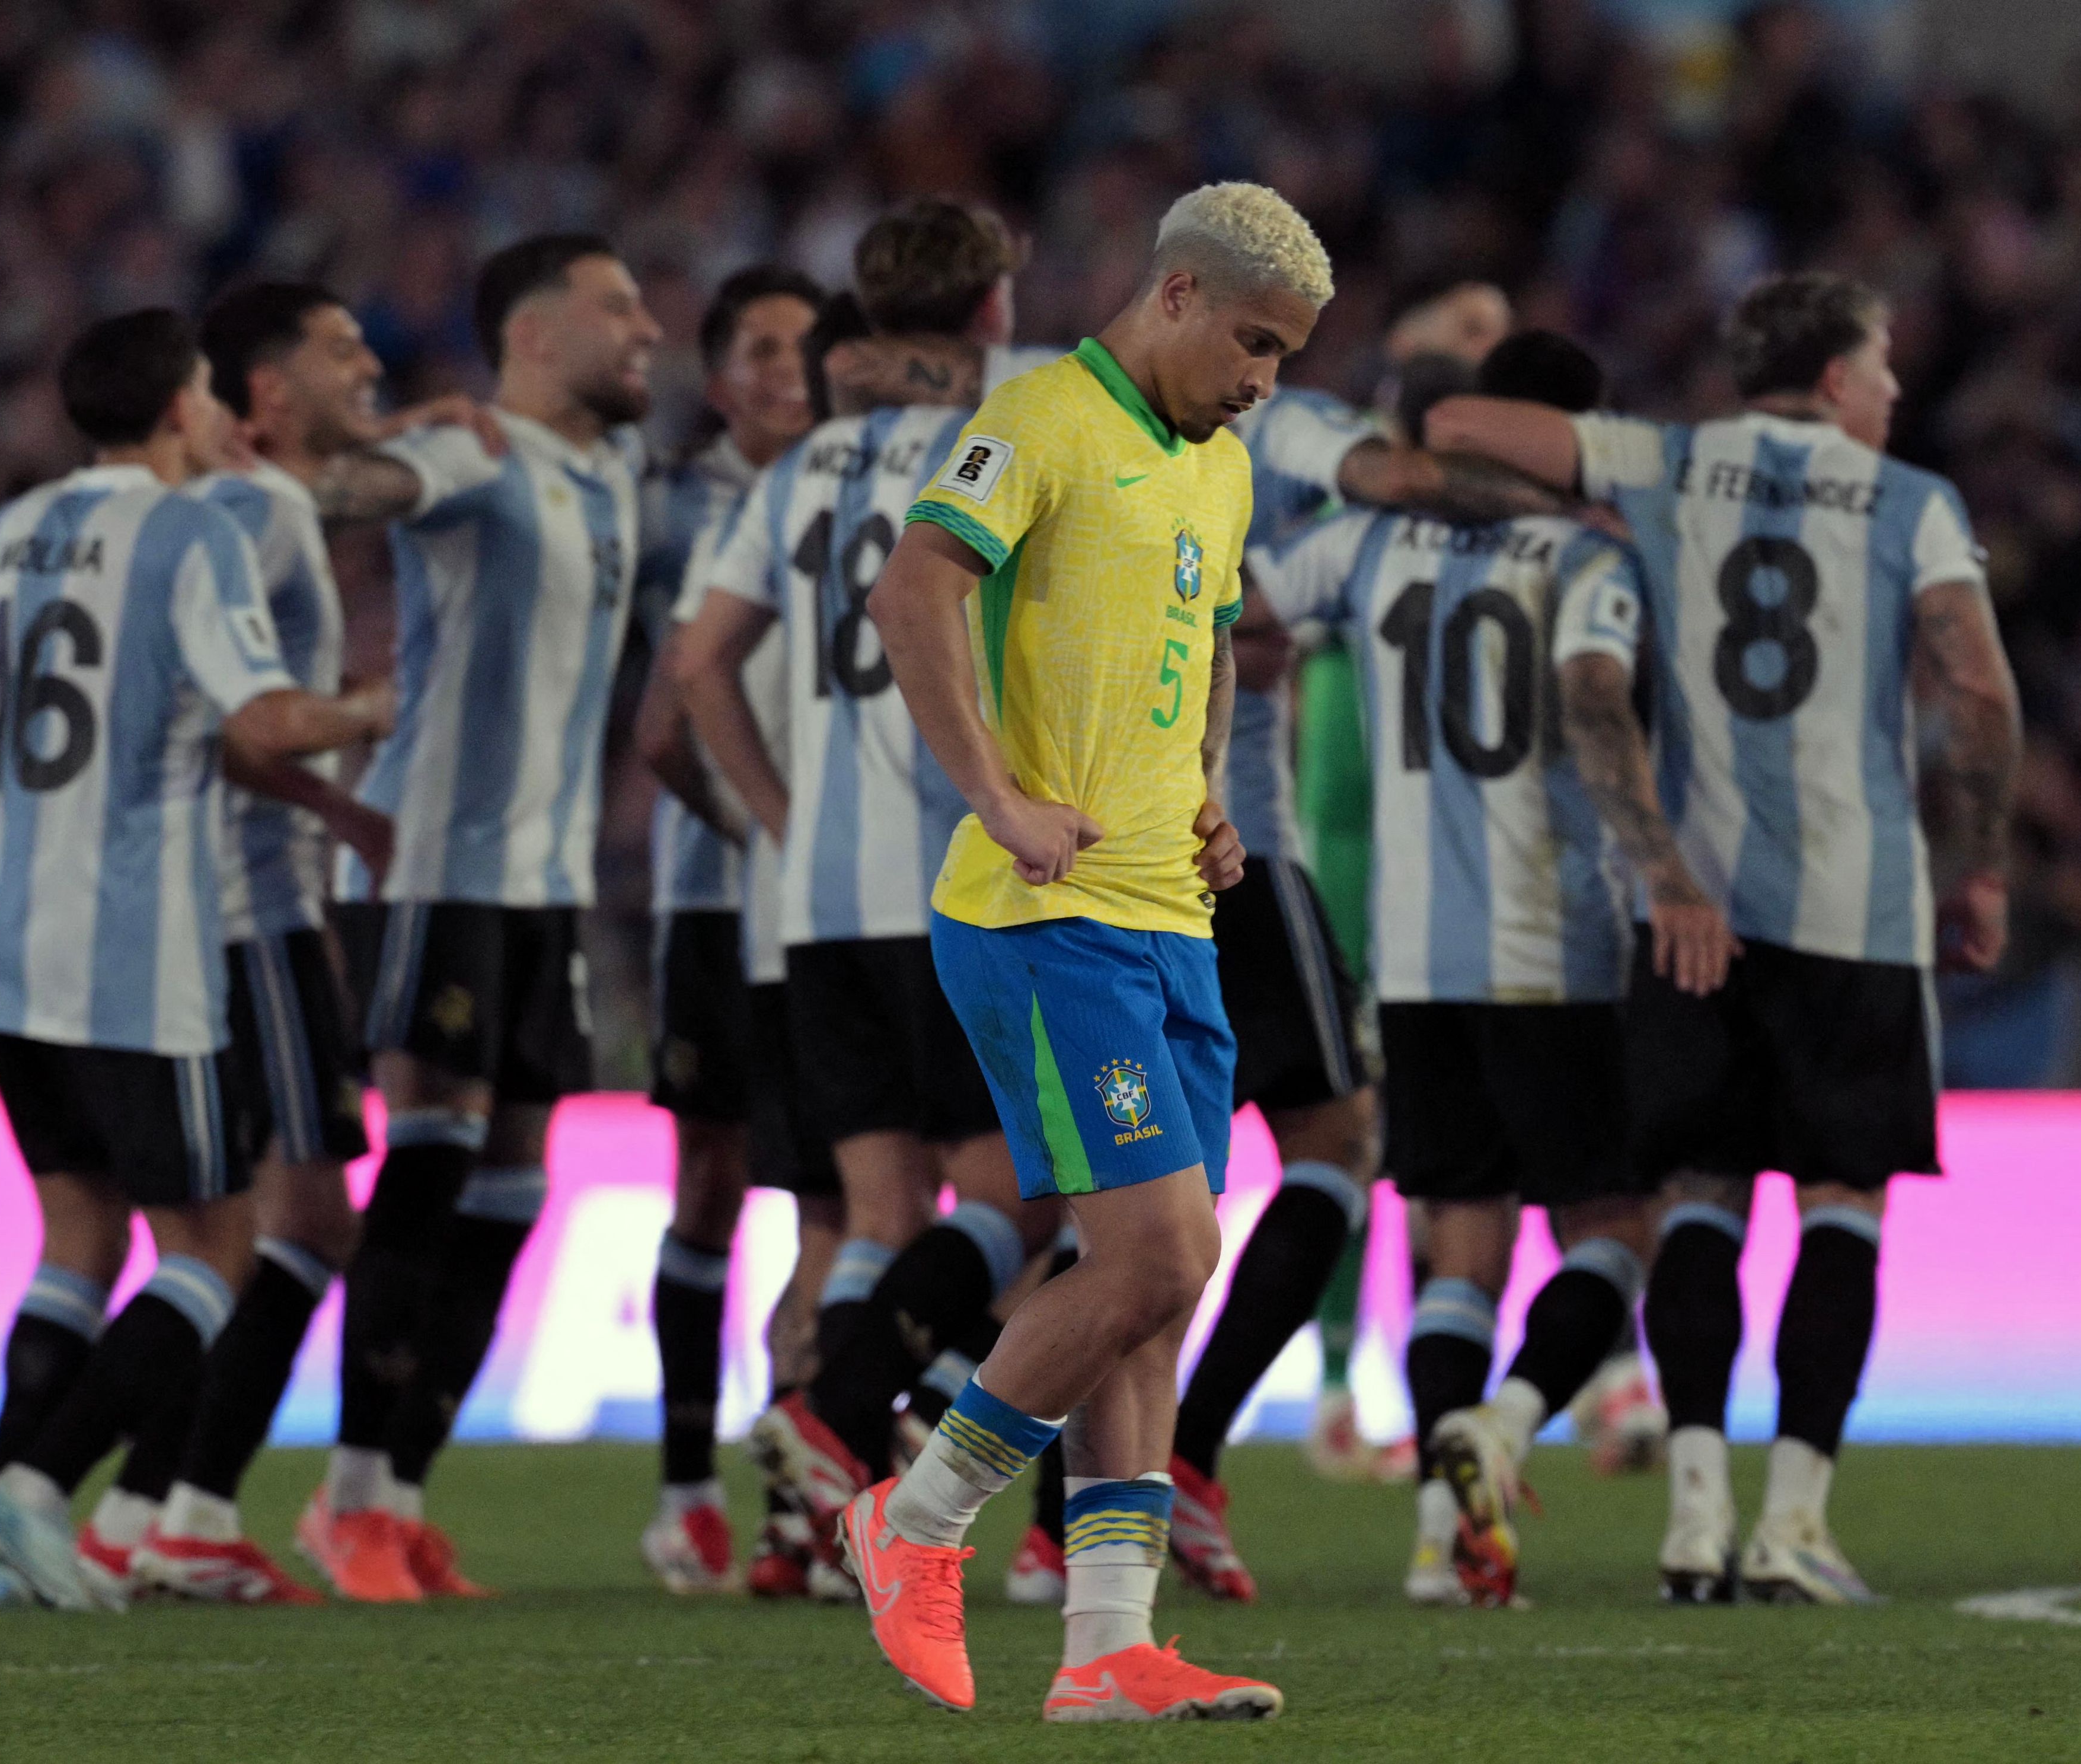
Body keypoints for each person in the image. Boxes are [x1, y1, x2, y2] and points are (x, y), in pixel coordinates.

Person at [1423, 272, 2021, 1603]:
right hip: (1852, 905)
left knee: (1696, 1196)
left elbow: (1466, 422)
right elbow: (1977, 690)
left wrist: (1583, 484)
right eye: (1879, 368)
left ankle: (1694, 1522)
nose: (1893, 393)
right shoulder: (1915, 502)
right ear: (1830, 380)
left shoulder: (1670, 462)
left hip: (1690, 908)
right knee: (1840, 1211)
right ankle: (1794, 1524)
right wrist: (1976, 870)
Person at [844, 180, 1338, 1724]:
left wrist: (1201, 796)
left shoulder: (1222, 469)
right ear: (1179, 295)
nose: (1263, 380)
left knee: (1148, 1292)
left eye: (1287, 360)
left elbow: (1200, 656)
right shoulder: (1040, 418)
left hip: (1164, 911)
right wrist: (993, 790)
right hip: (1042, 918)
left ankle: (1109, 1646)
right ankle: (909, 1522)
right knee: (1159, 1253)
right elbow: (914, 586)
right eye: (1254, 343)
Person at [0, 308, 392, 1610]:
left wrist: (18, 813)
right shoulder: (192, 530)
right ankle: (35, 1490)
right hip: (133, 951)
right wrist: (387, 703)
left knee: (75, 1235)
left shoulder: (4, 533)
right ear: (180, 408)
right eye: (211, 391)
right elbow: (268, 719)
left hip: (2, 937)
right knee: (213, 1250)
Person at [1259, 331, 1734, 1607]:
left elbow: (1238, 608)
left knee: (1457, 1245)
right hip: (1553, 946)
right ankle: (1508, 1422)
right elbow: (1591, 698)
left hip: (1411, 957)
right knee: (1613, 1229)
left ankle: (1438, 1536)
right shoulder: (1588, 556)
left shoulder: (1368, 547)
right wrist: (1666, 871)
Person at [678, 202, 1055, 1556]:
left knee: (880, 1214)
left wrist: (778, 813)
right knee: (1030, 1198)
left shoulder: (805, 464)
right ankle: (843, 1420)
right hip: (956, 881)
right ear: (993, 309)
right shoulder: (1006, 435)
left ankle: (806, 1517)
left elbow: (699, 661)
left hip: (819, 901)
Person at [307, 233, 660, 1600]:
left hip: (544, 886)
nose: (648, 331)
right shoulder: (474, 453)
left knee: (515, 1187)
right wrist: (378, 434)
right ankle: (346, 1499)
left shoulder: (614, 471)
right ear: (532, 332)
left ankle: (398, 1492)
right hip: (435, 869)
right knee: (436, 1162)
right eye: (618, 306)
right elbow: (351, 486)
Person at [72, 281, 401, 1604]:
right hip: (243, 905)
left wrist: (333, 817)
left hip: (241, 901)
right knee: (307, 1218)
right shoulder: (251, 512)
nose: (366, 359)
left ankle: (155, 1505)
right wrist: (365, 736)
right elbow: (235, 722)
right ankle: (173, 1503)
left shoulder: (242, 506)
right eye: (339, 348)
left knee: (269, 1223)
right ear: (260, 394)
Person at [622, 263, 832, 1594]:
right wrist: (756, 817)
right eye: (758, 348)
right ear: (719, 381)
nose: (785, 369)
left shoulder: (861, 491)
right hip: (716, 898)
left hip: (822, 907)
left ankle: (804, 1478)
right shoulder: (672, 508)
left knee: (835, 1197)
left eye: (804, 347)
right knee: (716, 1179)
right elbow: (660, 708)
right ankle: (691, 1482)